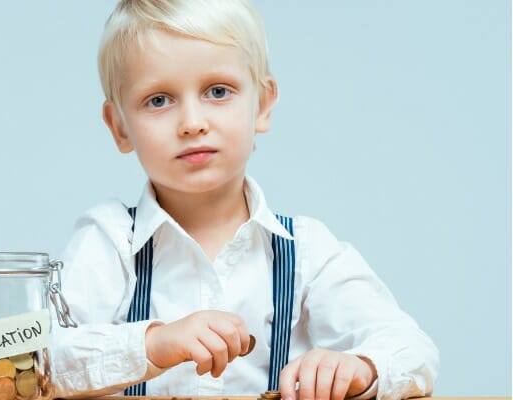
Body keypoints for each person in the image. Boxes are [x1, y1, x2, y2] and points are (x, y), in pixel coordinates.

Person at [49, 1, 439, 399]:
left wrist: (361, 367)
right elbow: (42, 357)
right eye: (159, 100)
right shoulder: (109, 241)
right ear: (119, 127)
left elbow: (412, 348)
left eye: (218, 91)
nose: (192, 123)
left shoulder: (306, 250)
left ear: (263, 105)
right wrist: (151, 344)